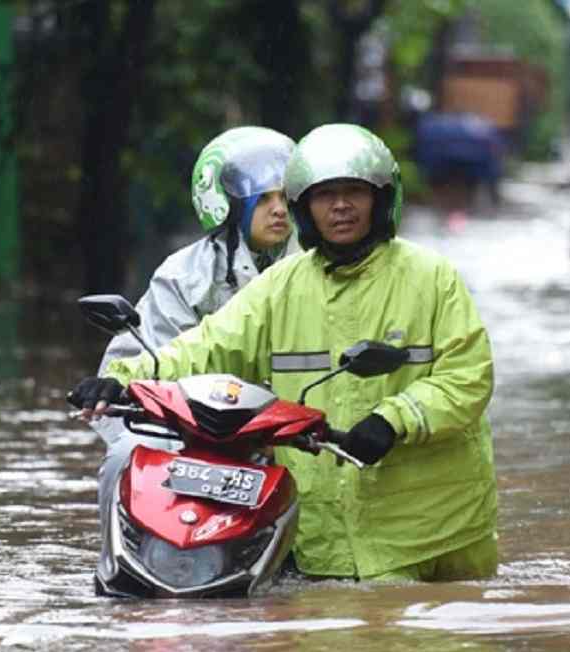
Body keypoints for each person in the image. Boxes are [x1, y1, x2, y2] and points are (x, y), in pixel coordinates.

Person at [73, 123, 499, 583]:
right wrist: (125, 377)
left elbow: (468, 378)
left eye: (353, 191)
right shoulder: (279, 285)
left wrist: (393, 420)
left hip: (433, 529)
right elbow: (207, 346)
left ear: (381, 198)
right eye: (324, 195)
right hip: (324, 537)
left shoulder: (433, 278)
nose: (340, 206)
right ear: (306, 208)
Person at [87, 126, 299, 589]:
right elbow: (147, 353)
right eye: (263, 199)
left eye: (285, 197)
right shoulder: (185, 276)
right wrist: (124, 392)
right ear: (231, 206)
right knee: (124, 457)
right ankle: (118, 572)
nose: (279, 209)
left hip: (290, 431)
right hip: (192, 431)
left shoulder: (317, 268)